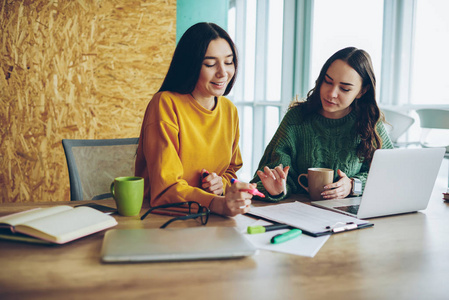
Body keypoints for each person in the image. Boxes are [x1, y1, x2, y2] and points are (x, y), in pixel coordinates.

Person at [135, 22, 254, 217]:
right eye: (210, 64)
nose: (223, 72)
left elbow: (231, 172)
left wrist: (220, 184)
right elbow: (166, 188)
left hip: (208, 216)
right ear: (191, 65)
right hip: (160, 219)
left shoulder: (229, 110)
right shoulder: (165, 104)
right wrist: (216, 203)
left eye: (228, 61)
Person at [251, 47, 393, 201]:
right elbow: (271, 177)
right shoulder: (297, 119)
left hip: (351, 215)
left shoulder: (369, 122)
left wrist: (353, 185)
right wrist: (277, 189)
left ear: (362, 91)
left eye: (345, 89)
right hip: (301, 212)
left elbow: (390, 174)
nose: (331, 93)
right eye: (328, 81)